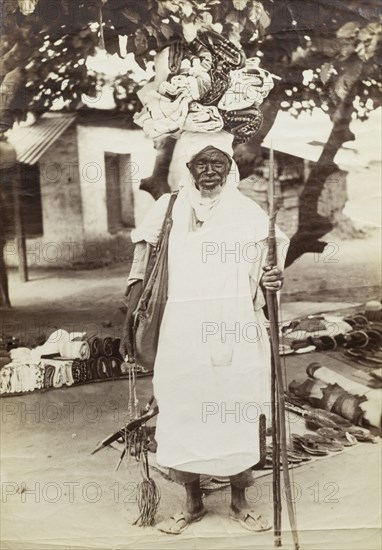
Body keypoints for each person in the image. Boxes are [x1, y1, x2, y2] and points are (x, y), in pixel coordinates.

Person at [120, 131, 288, 534]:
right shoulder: (167, 208)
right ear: (189, 168)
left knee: (236, 408)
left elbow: (268, 269)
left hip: (234, 326)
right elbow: (141, 265)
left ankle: (239, 501)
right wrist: (131, 318)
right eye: (201, 163)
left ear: (230, 168)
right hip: (182, 329)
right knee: (184, 407)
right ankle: (192, 503)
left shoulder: (250, 214)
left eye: (218, 163)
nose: (210, 171)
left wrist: (274, 278)